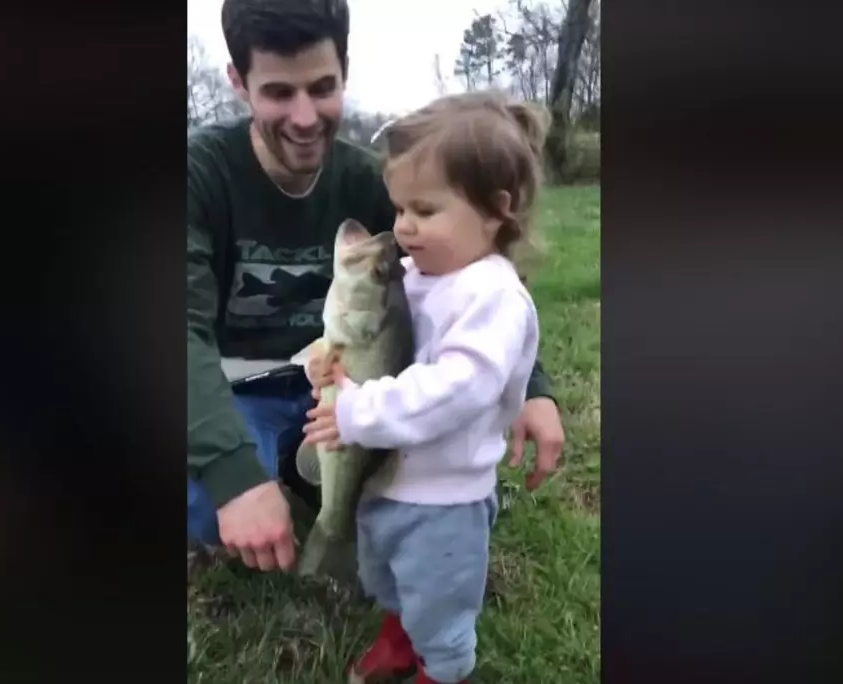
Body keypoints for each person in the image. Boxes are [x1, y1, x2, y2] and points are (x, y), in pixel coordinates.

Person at [187, 0, 565, 573]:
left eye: (322, 86)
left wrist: (533, 386)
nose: (306, 116)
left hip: (359, 386)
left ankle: (313, 481)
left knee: (433, 509)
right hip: (246, 386)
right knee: (204, 501)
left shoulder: (374, 182)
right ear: (239, 82)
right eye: (279, 93)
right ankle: (277, 469)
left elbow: (471, 263)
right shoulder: (200, 174)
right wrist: (232, 474)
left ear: (345, 68)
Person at [301, 91, 549, 684]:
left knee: (439, 606)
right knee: (387, 580)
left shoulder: (494, 297)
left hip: (444, 504)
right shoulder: (414, 273)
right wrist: (322, 364)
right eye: (399, 208)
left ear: (495, 210)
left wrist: (360, 414)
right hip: (386, 480)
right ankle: (396, 637)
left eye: (424, 210)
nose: (403, 227)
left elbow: (457, 387)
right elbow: (367, 340)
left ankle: (441, 669)